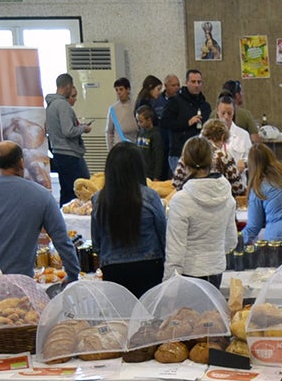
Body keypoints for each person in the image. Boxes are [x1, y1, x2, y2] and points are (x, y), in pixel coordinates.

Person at [0, 141, 80, 293]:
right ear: (21, 162)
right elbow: (61, 240)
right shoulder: (42, 196)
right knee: (17, 316)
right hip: (18, 280)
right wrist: (73, 274)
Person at [91, 141, 168, 297]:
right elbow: (163, 234)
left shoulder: (99, 199)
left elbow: (96, 242)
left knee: (120, 318)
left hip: (113, 268)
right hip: (149, 265)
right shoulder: (150, 196)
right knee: (148, 315)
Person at [163, 136, 237, 286]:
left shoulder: (180, 200)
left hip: (189, 275)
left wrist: (168, 287)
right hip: (216, 271)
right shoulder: (227, 196)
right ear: (211, 160)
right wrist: (212, 254)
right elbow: (231, 241)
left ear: (184, 161)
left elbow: (175, 252)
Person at [44, 73, 92, 206]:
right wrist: (83, 128)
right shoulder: (62, 105)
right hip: (70, 154)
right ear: (68, 87)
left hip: (59, 153)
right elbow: (68, 131)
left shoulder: (50, 106)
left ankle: (65, 221)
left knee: (66, 191)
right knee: (81, 189)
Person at [162, 69, 211, 175]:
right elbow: (165, 122)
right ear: (186, 82)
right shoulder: (175, 102)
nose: (196, 85)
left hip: (199, 155)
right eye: (193, 82)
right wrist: (187, 123)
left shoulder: (205, 105)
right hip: (179, 153)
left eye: (199, 82)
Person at [216, 93, 252, 168]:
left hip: (238, 177)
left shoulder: (243, 135)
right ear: (217, 112)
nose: (226, 117)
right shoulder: (207, 135)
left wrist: (244, 164)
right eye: (223, 113)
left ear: (234, 112)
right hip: (215, 178)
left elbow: (251, 160)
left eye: (229, 113)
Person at [134, 105, 166, 180]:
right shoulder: (139, 133)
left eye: (141, 121)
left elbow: (158, 156)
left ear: (149, 120)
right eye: (137, 121)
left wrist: (156, 176)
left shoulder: (155, 135)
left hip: (150, 173)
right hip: (140, 171)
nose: (138, 123)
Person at [106, 76, 138, 148]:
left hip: (135, 146)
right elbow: (109, 132)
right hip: (120, 147)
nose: (119, 92)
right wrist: (111, 150)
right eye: (116, 90)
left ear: (128, 89)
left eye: (121, 89)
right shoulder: (112, 109)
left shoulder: (136, 105)